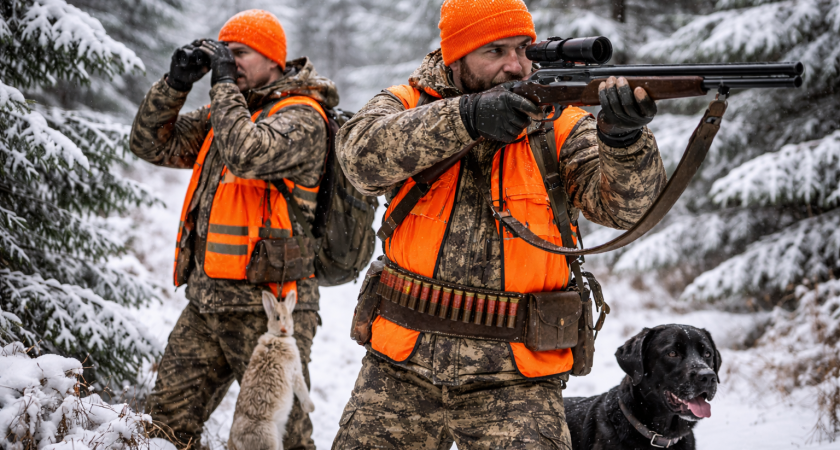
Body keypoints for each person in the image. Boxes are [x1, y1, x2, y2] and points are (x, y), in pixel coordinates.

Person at [334, 0, 666, 448]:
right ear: (456, 58)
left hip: (518, 381)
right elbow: (359, 159)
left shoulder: (562, 125)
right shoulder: (407, 102)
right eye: (495, 51)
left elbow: (625, 210)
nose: (515, 65)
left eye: (524, 49)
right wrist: (465, 118)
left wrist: (623, 140)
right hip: (398, 369)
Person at [129, 9, 338, 450]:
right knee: (163, 429)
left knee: (280, 438)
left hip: (271, 312)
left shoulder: (303, 115)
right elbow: (150, 144)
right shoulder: (226, 113)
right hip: (206, 302)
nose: (230, 62)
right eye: (224, 54)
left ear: (274, 59)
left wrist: (223, 84)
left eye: (241, 53)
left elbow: (246, 154)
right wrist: (175, 85)